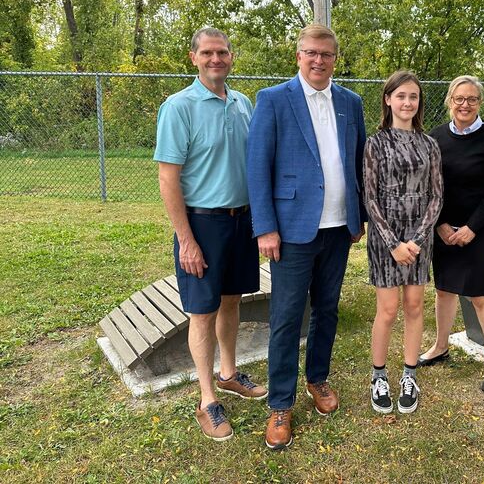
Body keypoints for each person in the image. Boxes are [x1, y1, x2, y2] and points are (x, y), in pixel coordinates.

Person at [246, 24, 367, 451]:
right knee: (285, 317)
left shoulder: (350, 103)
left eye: (326, 54)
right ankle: (280, 404)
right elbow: (257, 168)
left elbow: (357, 164)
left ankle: (318, 379)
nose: (318, 61)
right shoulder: (274, 100)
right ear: (298, 56)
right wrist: (265, 227)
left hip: (338, 230)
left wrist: (359, 217)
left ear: (336, 59)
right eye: (310, 53)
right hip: (292, 231)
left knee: (328, 310)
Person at [154, 27, 267, 442]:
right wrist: (186, 238)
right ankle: (207, 401)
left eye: (222, 52)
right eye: (208, 53)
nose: (216, 59)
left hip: (242, 221)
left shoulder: (242, 103)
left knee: (232, 301)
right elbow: (168, 178)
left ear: (231, 57)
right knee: (202, 310)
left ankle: (229, 374)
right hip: (202, 223)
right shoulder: (178, 107)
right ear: (194, 57)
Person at [418, 75, 484, 392]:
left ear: (479, 103)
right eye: (459, 98)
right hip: (443, 230)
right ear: (449, 101)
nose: (465, 104)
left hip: (480, 230)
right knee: (444, 290)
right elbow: (430, 187)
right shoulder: (435, 138)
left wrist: (472, 228)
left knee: (480, 295)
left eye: (472, 99)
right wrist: (441, 225)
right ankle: (440, 345)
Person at [364, 70, 443, 415]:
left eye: (413, 96)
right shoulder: (375, 143)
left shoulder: (429, 144)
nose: (407, 102)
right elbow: (369, 198)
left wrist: (417, 239)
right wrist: (394, 243)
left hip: (419, 239)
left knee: (413, 306)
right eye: (401, 96)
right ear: (388, 99)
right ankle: (378, 376)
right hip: (386, 240)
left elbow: (437, 197)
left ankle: (410, 375)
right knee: (388, 310)